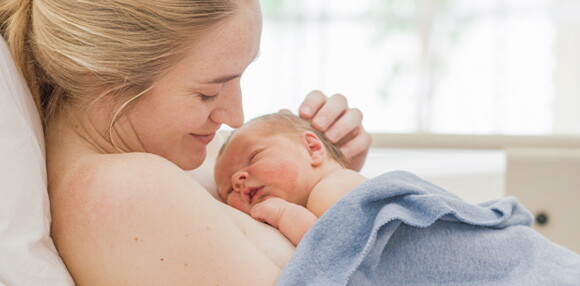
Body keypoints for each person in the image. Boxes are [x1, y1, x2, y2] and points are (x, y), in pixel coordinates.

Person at [0, 0, 372, 285]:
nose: (235, 115)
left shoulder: (164, 158)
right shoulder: (124, 194)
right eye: (209, 93)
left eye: (241, 76)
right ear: (107, 80)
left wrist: (326, 184)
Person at [215, 113, 368, 246]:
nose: (237, 180)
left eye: (254, 157)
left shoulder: (332, 187)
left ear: (312, 148)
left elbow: (336, 251)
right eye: (229, 191)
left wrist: (283, 215)